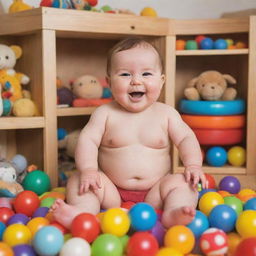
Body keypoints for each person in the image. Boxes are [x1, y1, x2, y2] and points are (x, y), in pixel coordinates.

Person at [51, 37, 206, 229]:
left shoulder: (166, 114)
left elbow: (186, 138)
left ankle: (175, 212)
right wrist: (89, 170)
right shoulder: (105, 114)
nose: (136, 81)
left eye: (147, 73)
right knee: (78, 180)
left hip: (156, 193)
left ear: (162, 80)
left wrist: (193, 165)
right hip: (111, 192)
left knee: (184, 184)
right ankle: (82, 213)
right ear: (109, 82)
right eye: (125, 74)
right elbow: (88, 140)